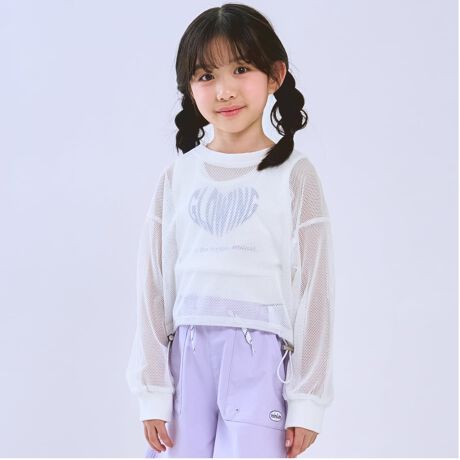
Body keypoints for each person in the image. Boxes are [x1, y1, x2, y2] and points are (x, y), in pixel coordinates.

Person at [125, 3, 335, 458]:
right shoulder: (178, 177)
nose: (224, 90)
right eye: (206, 76)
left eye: (241, 69)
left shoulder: (295, 175)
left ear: (274, 75)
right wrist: (153, 390)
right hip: (186, 360)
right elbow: (152, 287)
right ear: (189, 88)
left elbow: (315, 290)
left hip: (261, 362)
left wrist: (307, 400)